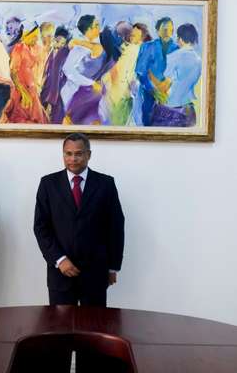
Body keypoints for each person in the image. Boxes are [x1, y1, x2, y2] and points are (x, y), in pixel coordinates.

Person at [34, 133, 124, 307]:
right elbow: (41, 227)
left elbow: (116, 227)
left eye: (78, 153)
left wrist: (113, 267)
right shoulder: (48, 184)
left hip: (95, 272)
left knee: (94, 328)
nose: (73, 159)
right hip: (60, 273)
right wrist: (60, 260)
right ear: (63, 155)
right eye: (68, 154)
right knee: (61, 329)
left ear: (88, 155)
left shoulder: (106, 184)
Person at [149, 23, 202, 127]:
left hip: (170, 110)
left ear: (181, 39)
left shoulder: (174, 56)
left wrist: (150, 75)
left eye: (178, 37)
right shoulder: (198, 60)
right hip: (188, 110)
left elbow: (164, 87)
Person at [135, 17, 179, 126]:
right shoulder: (147, 47)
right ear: (157, 30)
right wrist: (154, 91)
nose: (167, 32)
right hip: (149, 94)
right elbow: (140, 72)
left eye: (170, 29)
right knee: (148, 122)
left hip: (170, 94)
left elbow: (178, 73)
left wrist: (167, 88)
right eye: (164, 29)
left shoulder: (177, 49)